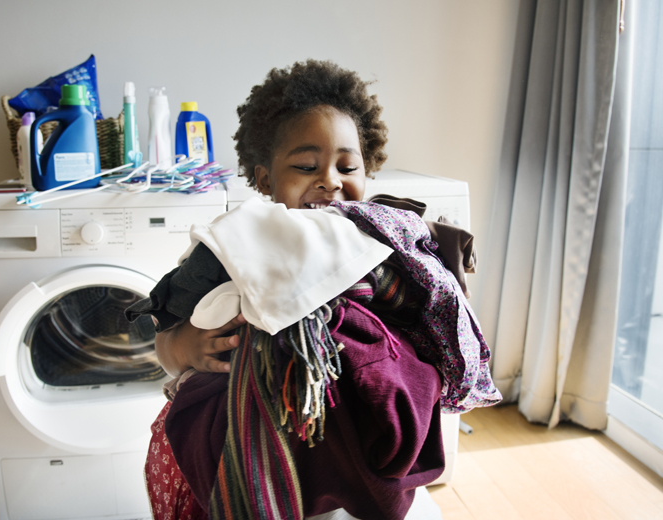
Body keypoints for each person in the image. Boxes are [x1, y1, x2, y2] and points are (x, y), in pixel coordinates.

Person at [128, 60, 499, 520]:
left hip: (365, 443)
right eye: (307, 166)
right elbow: (166, 335)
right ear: (265, 179)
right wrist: (184, 345)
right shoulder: (240, 241)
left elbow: (429, 302)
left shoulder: (380, 238)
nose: (330, 180)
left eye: (348, 166)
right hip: (257, 434)